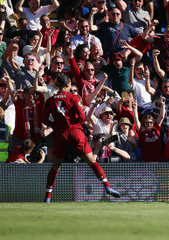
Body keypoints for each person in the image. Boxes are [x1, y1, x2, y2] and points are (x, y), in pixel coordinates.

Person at [41, 74, 120, 203]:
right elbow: (82, 118)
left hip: (61, 134)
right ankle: (107, 186)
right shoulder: (73, 98)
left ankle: (47, 197)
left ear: (56, 85)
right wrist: (73, 122)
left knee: (55, 166)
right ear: (67, 85)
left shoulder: (50, 100)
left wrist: (57, 124)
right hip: (75, 131)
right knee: (91, 161)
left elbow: (44, 120)